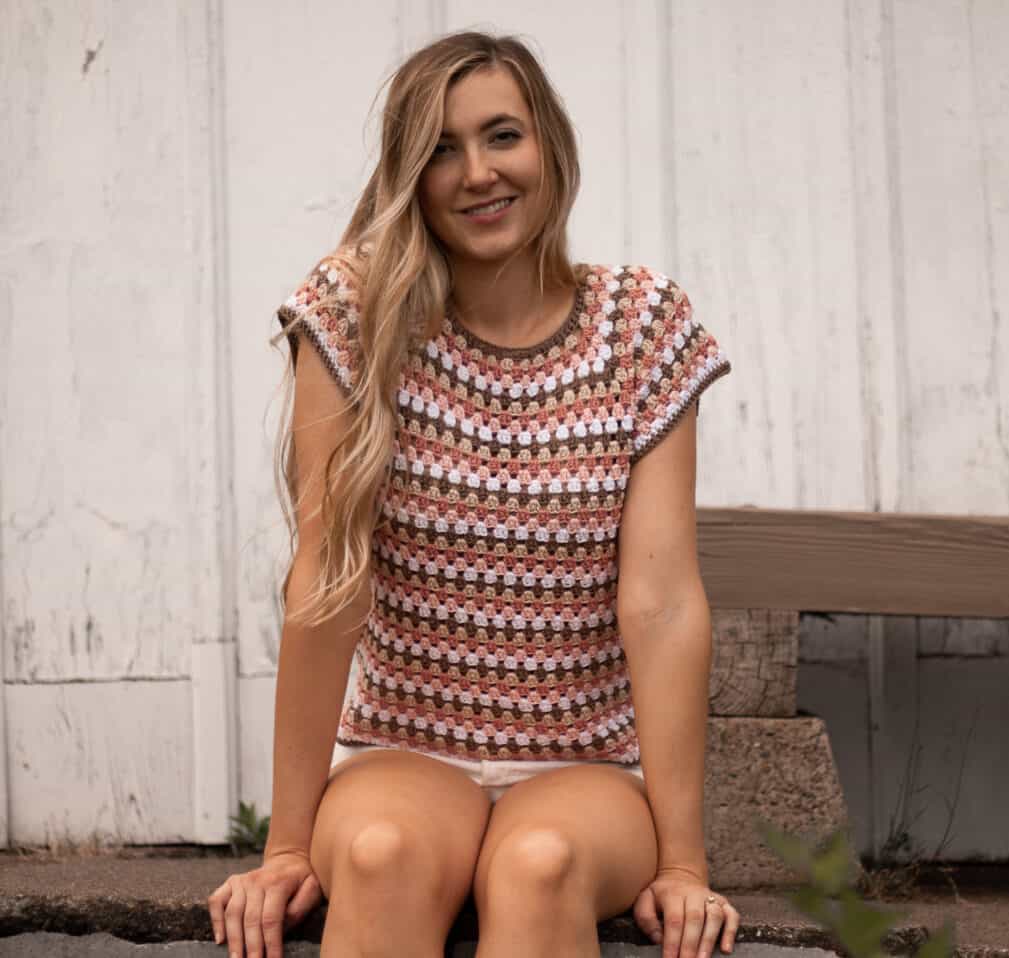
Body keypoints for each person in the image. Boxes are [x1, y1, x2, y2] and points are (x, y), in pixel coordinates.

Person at [208, 28, 737, 958]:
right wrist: (287, 844)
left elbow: (660, 602)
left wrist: (683, 868)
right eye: (441, 150)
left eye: (502, 136)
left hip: (584, 765)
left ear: (551, 148)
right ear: (409, 174)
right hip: (402, 752)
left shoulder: (640, 326)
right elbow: (328, 580)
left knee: (538, 865)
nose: (477, 173)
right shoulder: (351, 318)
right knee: (377, 856)